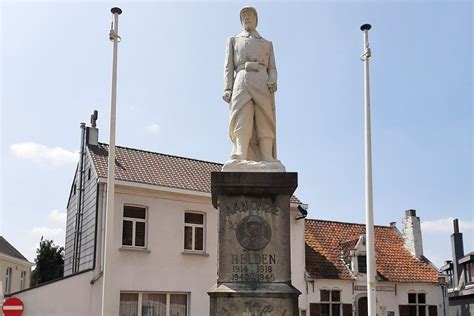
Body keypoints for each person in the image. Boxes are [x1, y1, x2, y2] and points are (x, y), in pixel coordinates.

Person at [223, 7, 278, 163]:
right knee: (242, 116)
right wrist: (227, 88)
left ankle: (267, 154)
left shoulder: (267, 44)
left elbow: (272, 68)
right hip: (242, 79)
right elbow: (229, 67)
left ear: (256, 19)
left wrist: (273, 80)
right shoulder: (234, 40)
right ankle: (241, 152)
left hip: (262, 80)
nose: (247, 17)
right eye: (244, 16)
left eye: (250, 15)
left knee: (264, 117)